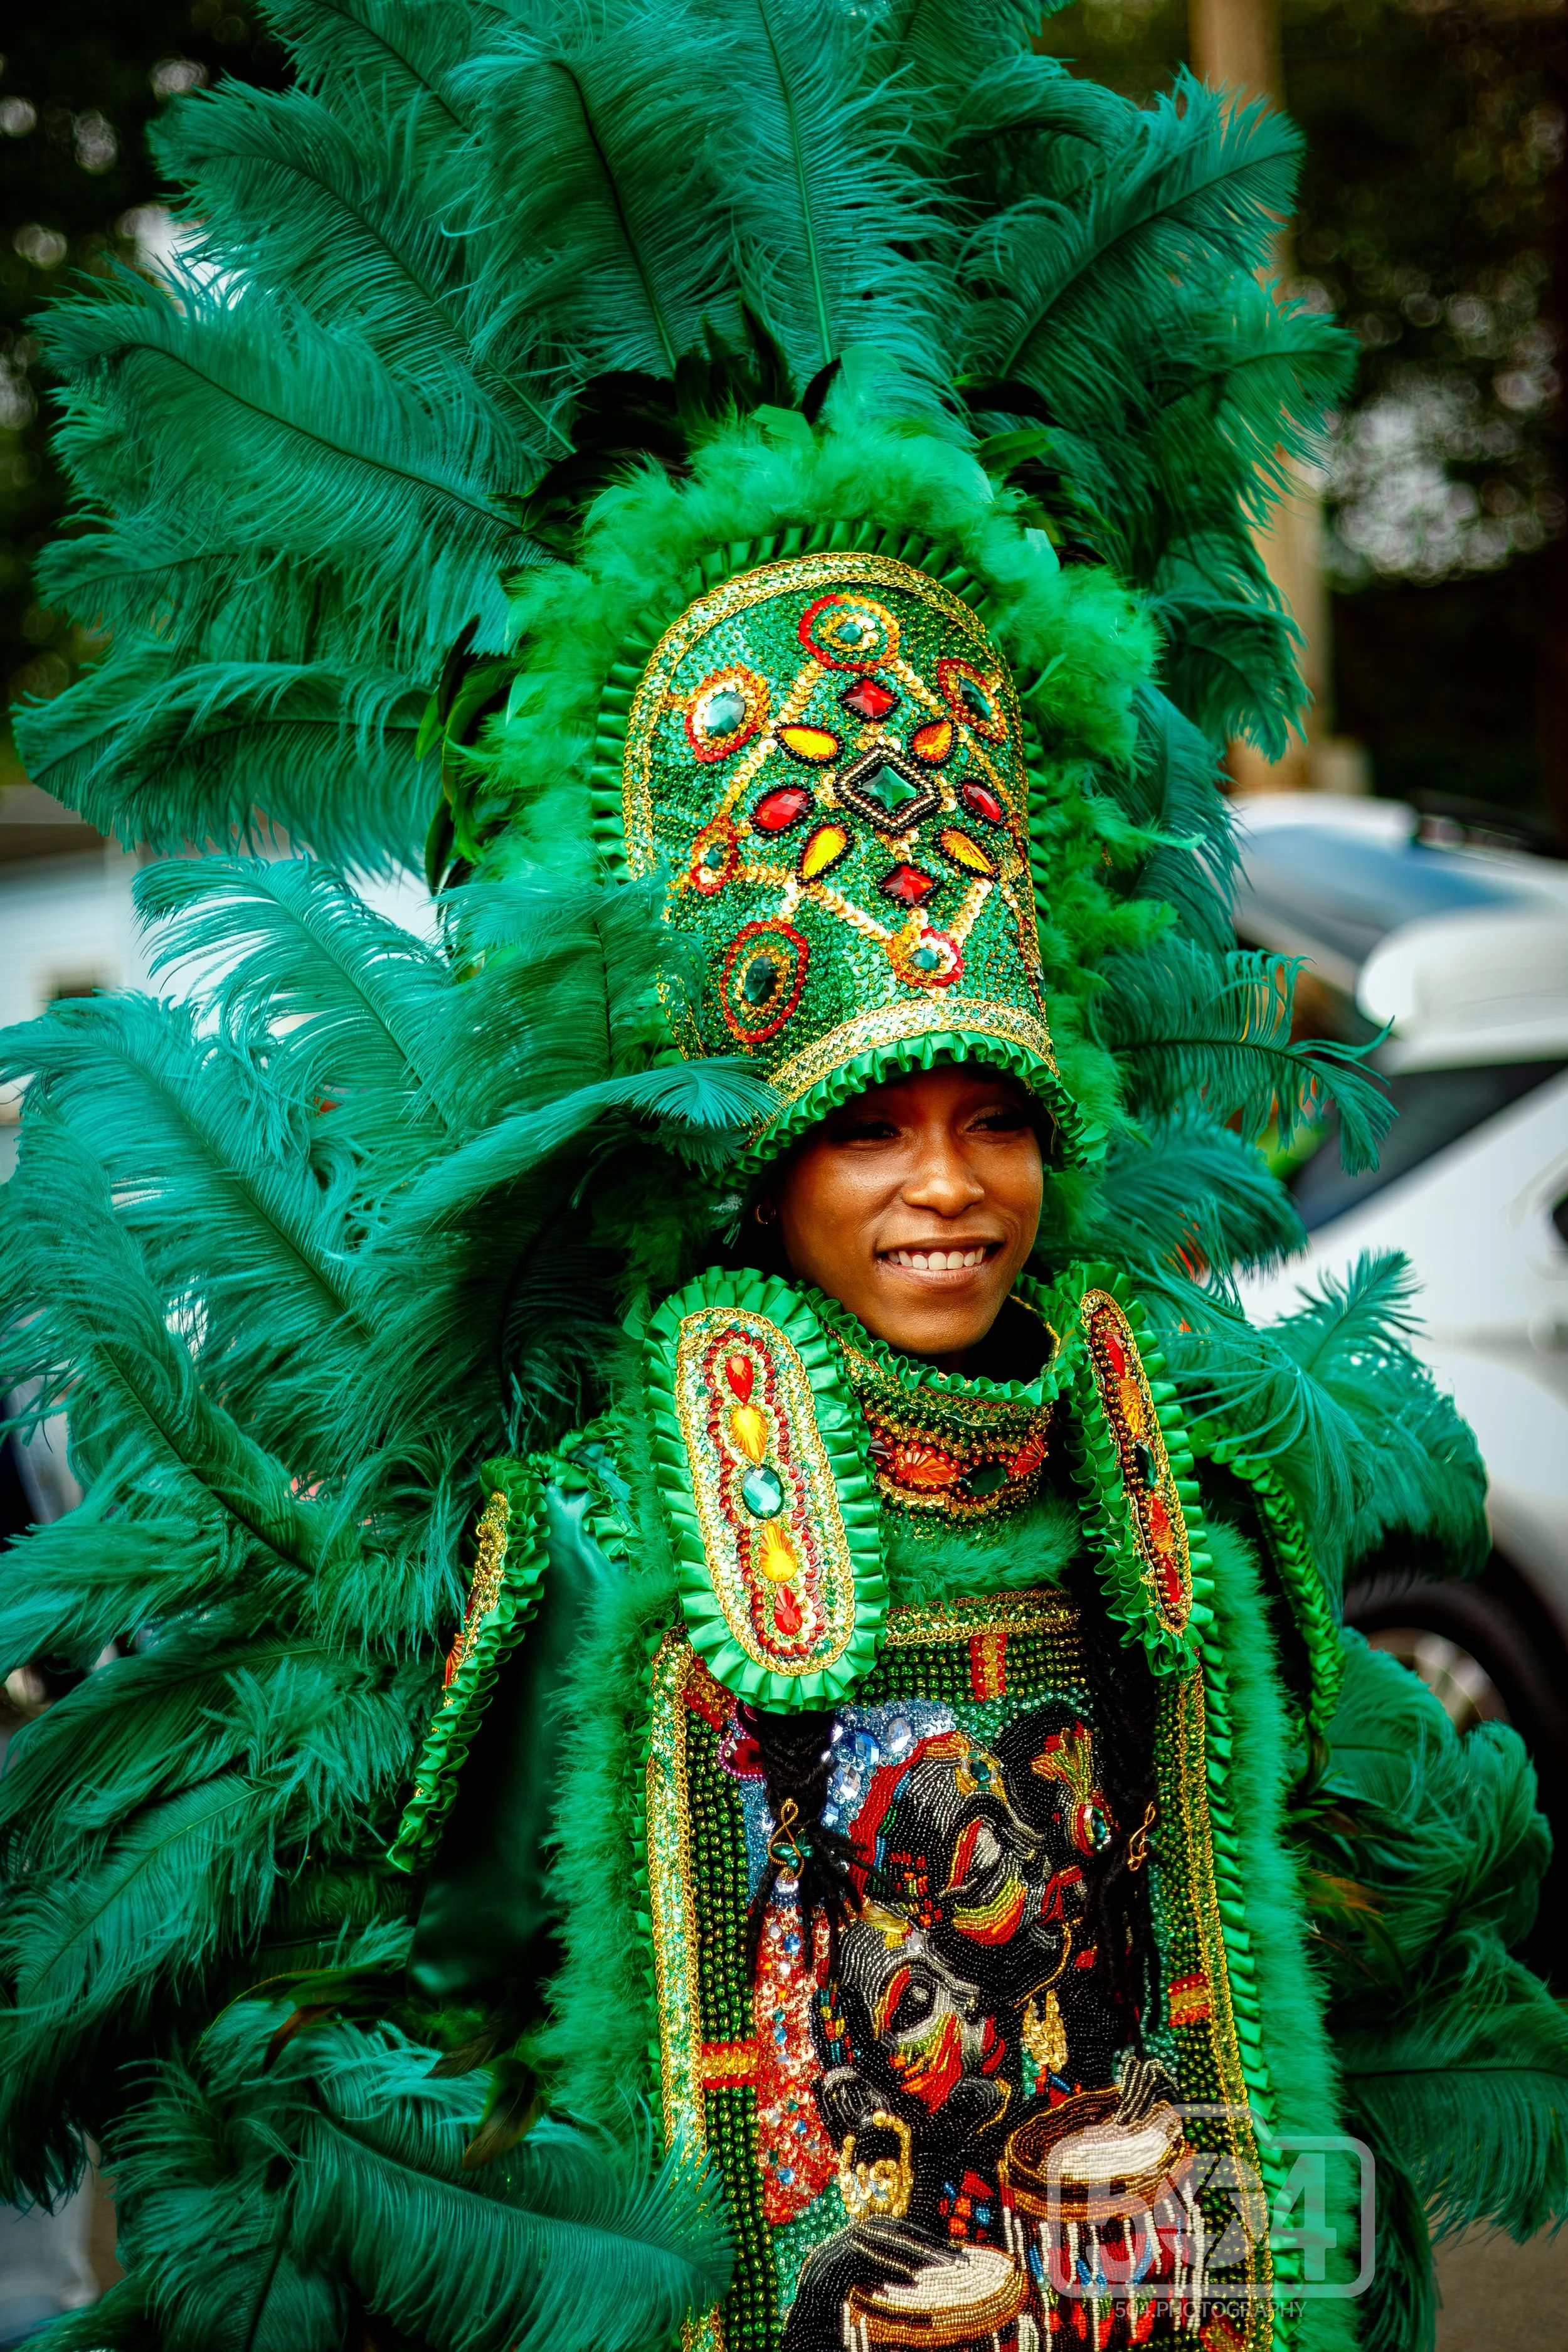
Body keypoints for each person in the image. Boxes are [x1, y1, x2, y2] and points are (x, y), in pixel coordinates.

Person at [1, 7, 1562, 2352]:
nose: (946, 1187)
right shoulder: (614, 1525)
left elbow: (1324, 1906)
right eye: (867, 1127)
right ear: (752, 1161)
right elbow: (399, 1988)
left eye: (992, 1117)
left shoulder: (1171, 1481)